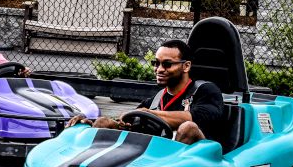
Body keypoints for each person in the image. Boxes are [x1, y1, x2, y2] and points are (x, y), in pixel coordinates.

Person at [67, 39, 224, 145]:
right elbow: (127, 123)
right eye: (156, 63)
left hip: (202, 160)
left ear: (186, 66)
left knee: (188, 127)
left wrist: (149, 113)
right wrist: (91, 123)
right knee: (103, 122)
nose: (159, 69)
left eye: (167, 64)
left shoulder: (205, 90)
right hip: (158, 158)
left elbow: (197, 118)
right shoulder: (155, 100)